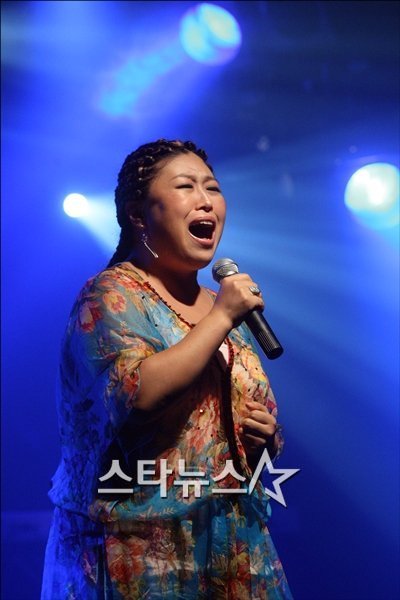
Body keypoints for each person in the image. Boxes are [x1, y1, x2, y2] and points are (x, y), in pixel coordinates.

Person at [41, 139, 293, 599]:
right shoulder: (111, 295)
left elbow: (241, 414)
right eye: (186, 186)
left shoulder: (225, 308)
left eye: (212, 188)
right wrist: (221, 317)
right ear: (138, 215)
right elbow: (136, 396)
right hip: (141, 547)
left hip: (230, 540)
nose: (206, 200)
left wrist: (263, 437)